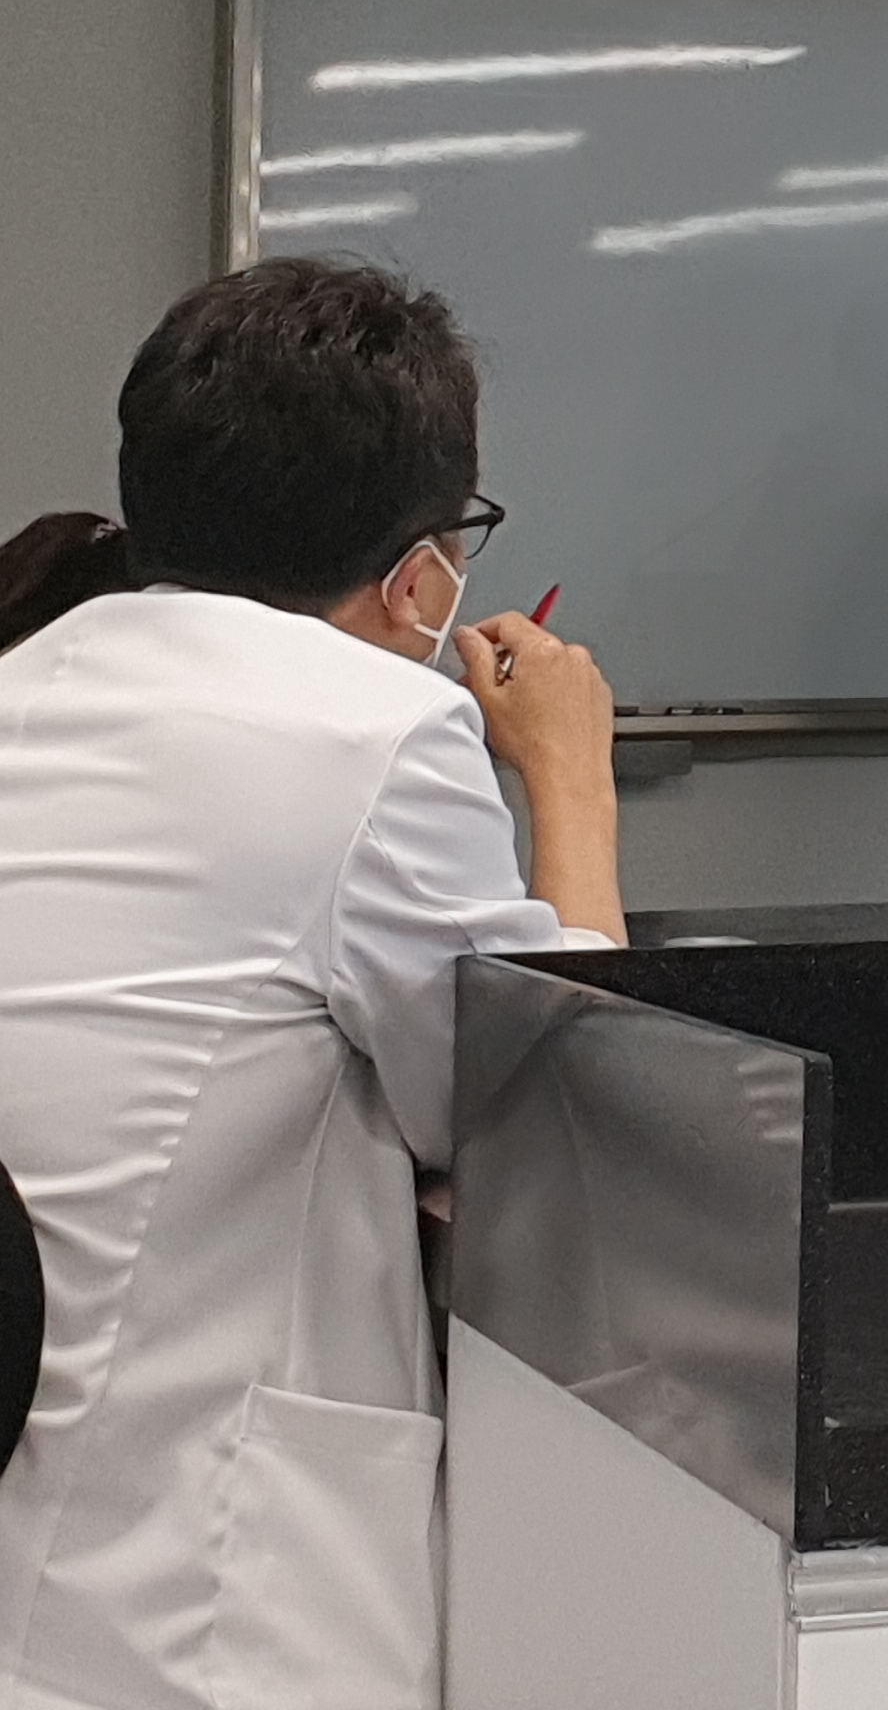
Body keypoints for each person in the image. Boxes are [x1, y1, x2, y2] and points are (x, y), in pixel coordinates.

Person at [0, 260, 623, 1710]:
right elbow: (556, 1133)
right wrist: (571, 780)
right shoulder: (375, 731)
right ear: (420, 573)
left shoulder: (30, 680)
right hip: (200, 1611)